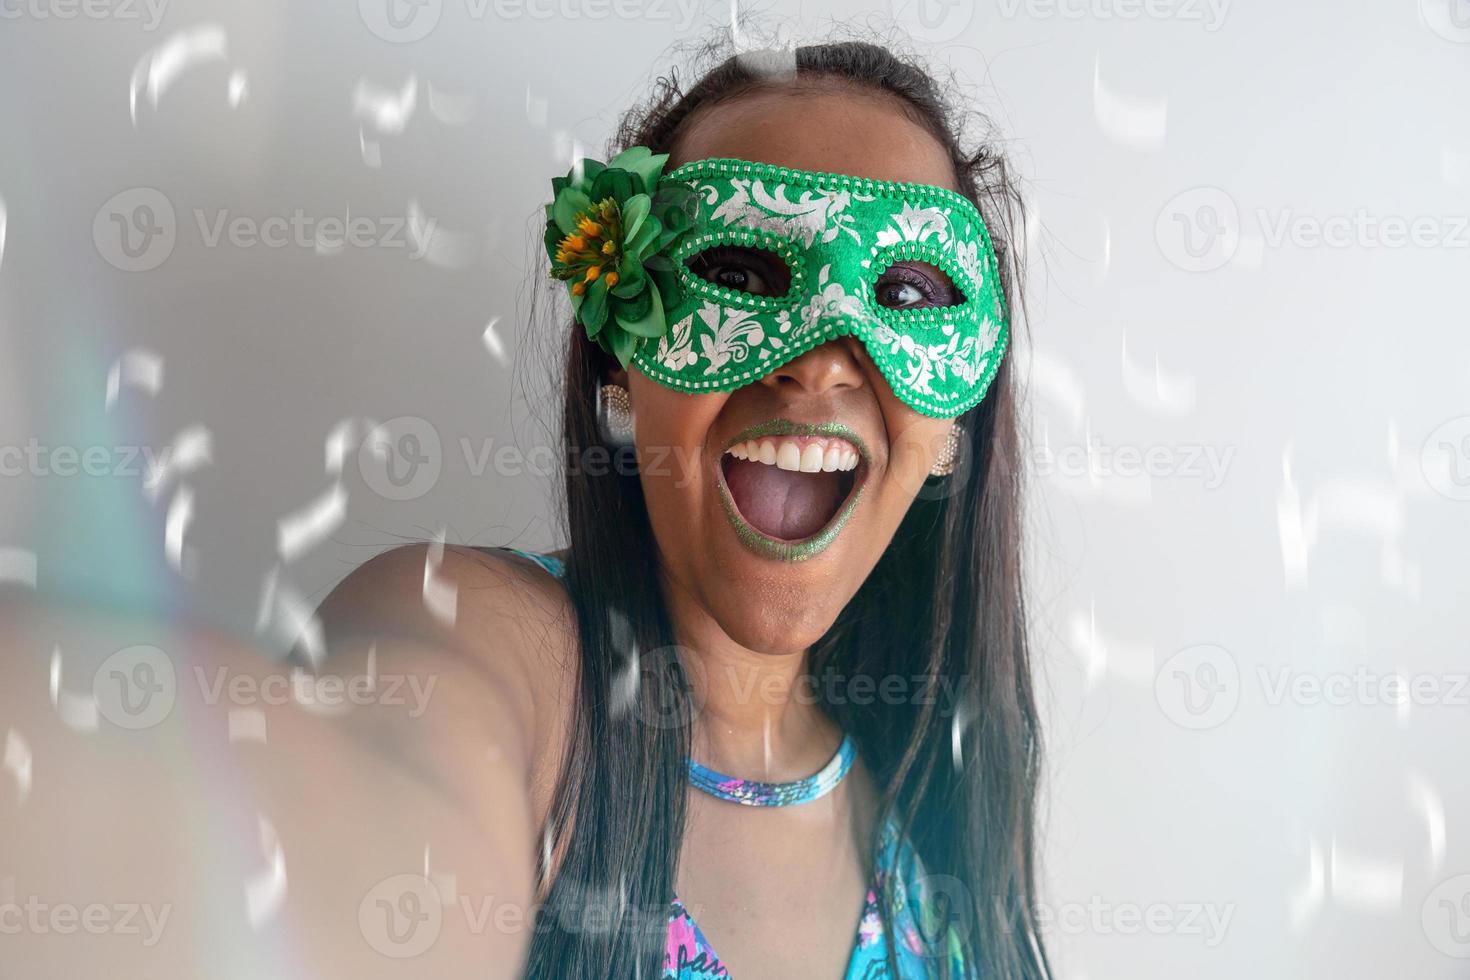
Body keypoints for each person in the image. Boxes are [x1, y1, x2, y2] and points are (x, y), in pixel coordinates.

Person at [320, 38, 1048, 979]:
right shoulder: (486, 646)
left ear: (953, 421)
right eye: (740, 272)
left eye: (908, 290)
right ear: (623, 358)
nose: (820, 358)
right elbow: (387, 792)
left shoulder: (943, 821)